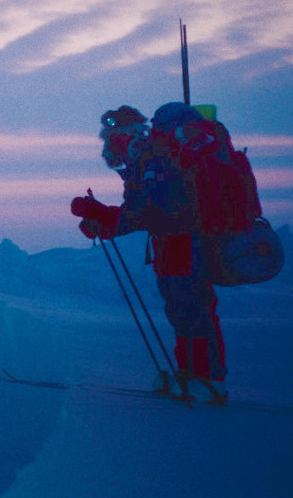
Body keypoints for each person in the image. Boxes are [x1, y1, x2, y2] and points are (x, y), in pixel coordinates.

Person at [71, 102, 228, 403]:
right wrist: (104, 219)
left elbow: (150, 210)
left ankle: (209, 379)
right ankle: (193, 375)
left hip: (182, 239)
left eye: (114, 137)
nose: (111, 144)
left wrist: (105, 219)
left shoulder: (152, 159)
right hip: (170, 242)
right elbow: (143, 211)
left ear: (128, 135)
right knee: (182, 309)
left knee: (191, 307)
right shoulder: (145, 160)